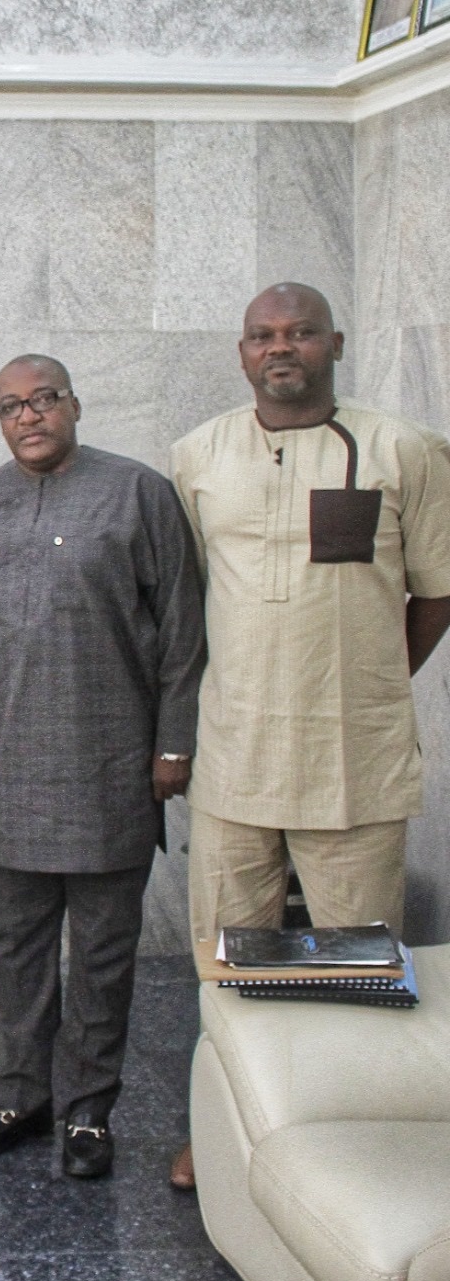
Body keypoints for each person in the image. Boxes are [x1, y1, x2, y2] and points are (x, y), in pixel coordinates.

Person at [168, 282, 450, 1189]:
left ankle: (359, 1145)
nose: (279, 347)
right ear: (242, 351)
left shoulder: (404, 450)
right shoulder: (198, 455)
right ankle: (228, 1134)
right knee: (230, 957)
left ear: (336, 342)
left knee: (357, 960)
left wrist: (367, 682)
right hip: (235, 750)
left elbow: (437, 591)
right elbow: (185, 602)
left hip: (350, 755)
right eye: (262, 335)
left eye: (299, 333)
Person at [0, 356, 205, 1180]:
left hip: (112, 765)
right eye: (11, 406)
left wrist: (173, 745)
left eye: (44, 399)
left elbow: (182, 629)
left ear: (74, 405)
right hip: (9, 764)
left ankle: (89, 1112)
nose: (29, 416)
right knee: (16, 946)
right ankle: (19, 1099)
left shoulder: (137, 493)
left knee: (100, 953)